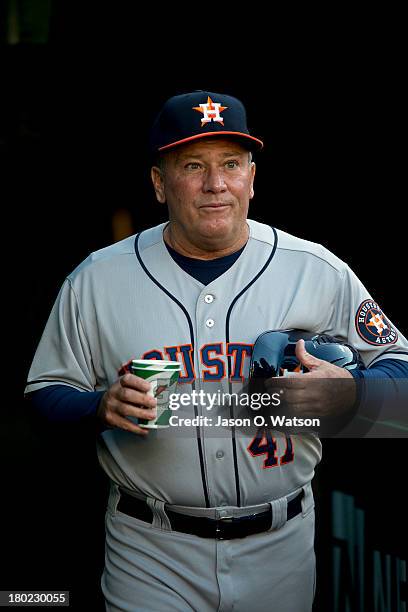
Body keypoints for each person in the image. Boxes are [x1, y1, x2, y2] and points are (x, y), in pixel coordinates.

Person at [25, 90, 408, 612]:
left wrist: (353, 395)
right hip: (150, 550)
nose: (215, 185)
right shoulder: (96, 280)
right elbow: (43, 396)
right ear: (160, 183)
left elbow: (402, 390)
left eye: (231, 164)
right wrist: (99, 405)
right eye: (193, 165)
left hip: (282, 546)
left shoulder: (317, 270)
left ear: (252, 176)